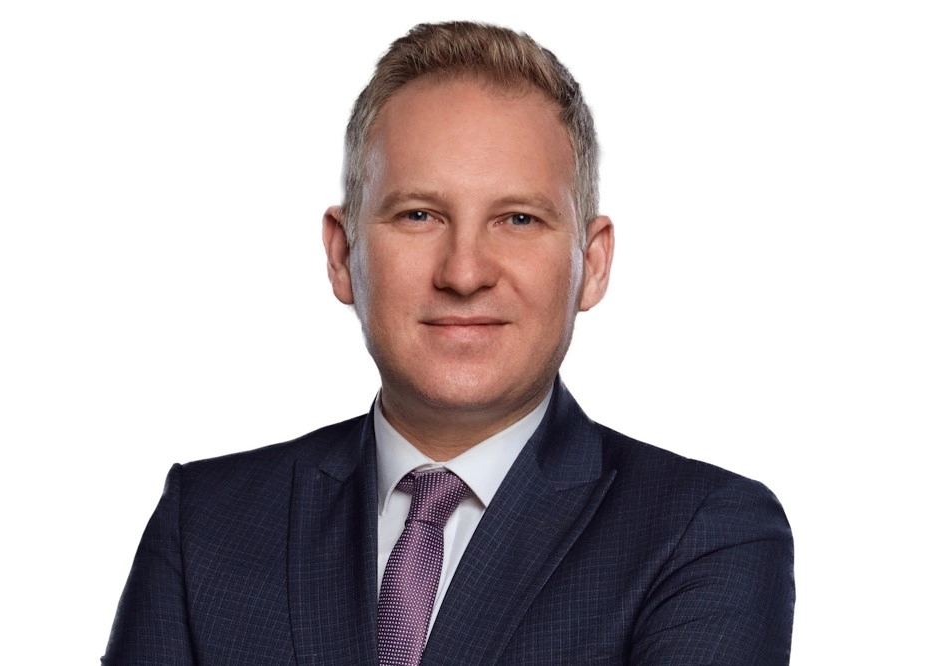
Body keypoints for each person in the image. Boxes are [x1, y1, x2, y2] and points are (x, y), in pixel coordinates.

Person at [103, 21, 794, 665]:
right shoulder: (206, 523)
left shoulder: (705, 534)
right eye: (419, 215)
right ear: (342, 255)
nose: (464, 273)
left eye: (518, 219)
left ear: (592, 263)